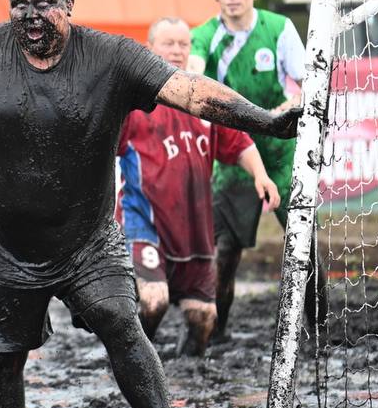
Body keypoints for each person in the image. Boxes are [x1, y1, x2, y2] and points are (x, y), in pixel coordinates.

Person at [0, 0, 300, 408]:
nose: (30, 15)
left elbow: (189, 91)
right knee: (1, 357)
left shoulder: (110, 57)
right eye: (19, 4)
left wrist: (266, 121)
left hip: (86, 241)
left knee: (122, 323)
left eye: (43, 4)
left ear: (69, 6)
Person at [118, 18, 280, 357]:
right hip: (144, 221)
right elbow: (100, 147)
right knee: (153, 301)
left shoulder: (204, 99)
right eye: (168, 43)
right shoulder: (132, 101)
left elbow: (238, 143)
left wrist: (261, 176)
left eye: (182, 44)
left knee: (203, 318)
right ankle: (129, 358)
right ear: (150, 48)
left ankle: (188, 374)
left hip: (193, 229)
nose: (176, 50)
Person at [186, 0, 307, 340]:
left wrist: (279, 115)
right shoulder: (205, 35)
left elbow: (309, 85)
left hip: (281, 152)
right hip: (234, 152)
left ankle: (318, 328)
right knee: (224, 251)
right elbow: (192, 71)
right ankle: (216, 330)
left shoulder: (279, 28)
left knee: (305, 243)